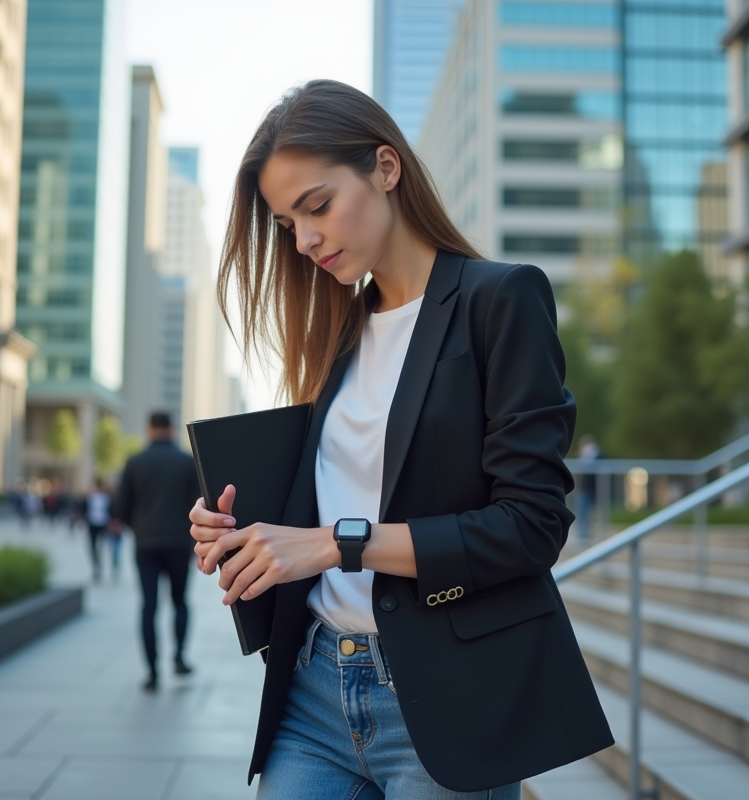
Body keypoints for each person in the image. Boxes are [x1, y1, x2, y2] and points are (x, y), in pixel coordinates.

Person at [188, 81, 612, 799]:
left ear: (387, 168)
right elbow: (327, 493)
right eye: (288, 222)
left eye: (317, 206)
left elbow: (532, 526)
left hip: (443, 698)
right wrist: (236, 531)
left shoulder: (499, 300)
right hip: (314, 688)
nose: (306, 239)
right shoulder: (337, 333)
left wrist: (336, 541)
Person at [112, 411, 201, 693]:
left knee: (148, 607)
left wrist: (139, 527)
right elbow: (199, 506)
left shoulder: (135, 463)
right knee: (180, 601)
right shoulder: (188, 462)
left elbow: (120, 509)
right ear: (172, 429)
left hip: (146, 544)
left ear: (148, 429)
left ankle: (151, 672)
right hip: (179, 543)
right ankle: (179, 657)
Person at [85, 478, 114, 581]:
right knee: (92, 548)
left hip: (103, 525)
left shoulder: (106, 498)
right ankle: (95, 568)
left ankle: (100, 566)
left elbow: (112, 510)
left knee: (100, 548)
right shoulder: (90, 498)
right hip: (92, 525)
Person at [575, 435, 601, 543]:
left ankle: (585, 535)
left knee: (588, 513)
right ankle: (583, 535)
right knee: (583, 512)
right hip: (586, 489)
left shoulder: (596, 455)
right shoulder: (585, 455)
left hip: (593, 489)